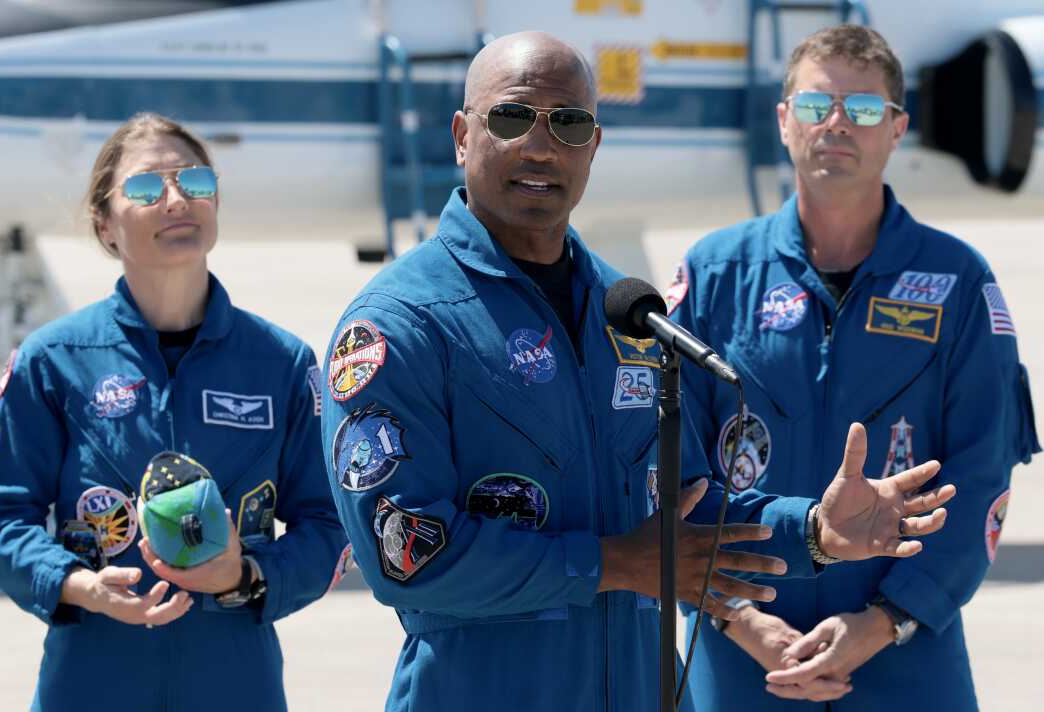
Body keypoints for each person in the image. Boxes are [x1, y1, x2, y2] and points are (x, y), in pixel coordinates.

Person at [319, 31, 955, 711]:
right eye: (511, 118)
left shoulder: (628, 314)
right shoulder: (401, 324)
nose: (540, 146)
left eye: (568, 123)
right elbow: (406, 559)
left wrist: (814, 531)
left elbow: (674, 509)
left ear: (593, 147)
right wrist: (613, 565)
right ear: (461, 136)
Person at [666, 25, 1040, 711]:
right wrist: (737, 618)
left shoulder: (956, 283)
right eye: (816, 105)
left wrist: (884, 622)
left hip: (904, 654)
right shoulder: (714, 275)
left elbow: (982, 468)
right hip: (740, 657)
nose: (837, 124)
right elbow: (666, 466)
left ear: (897, 129)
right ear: (784, 120)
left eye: (864, 109)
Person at [0, 113, 348, 711]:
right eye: (147, 188)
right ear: (105, 225)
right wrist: (82, 587)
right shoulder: (54, 360)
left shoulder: (281, 362)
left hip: (235, 684)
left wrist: (245, 575)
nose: (177, 200)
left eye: (196, 182)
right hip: (91, 682)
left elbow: (330, 524)